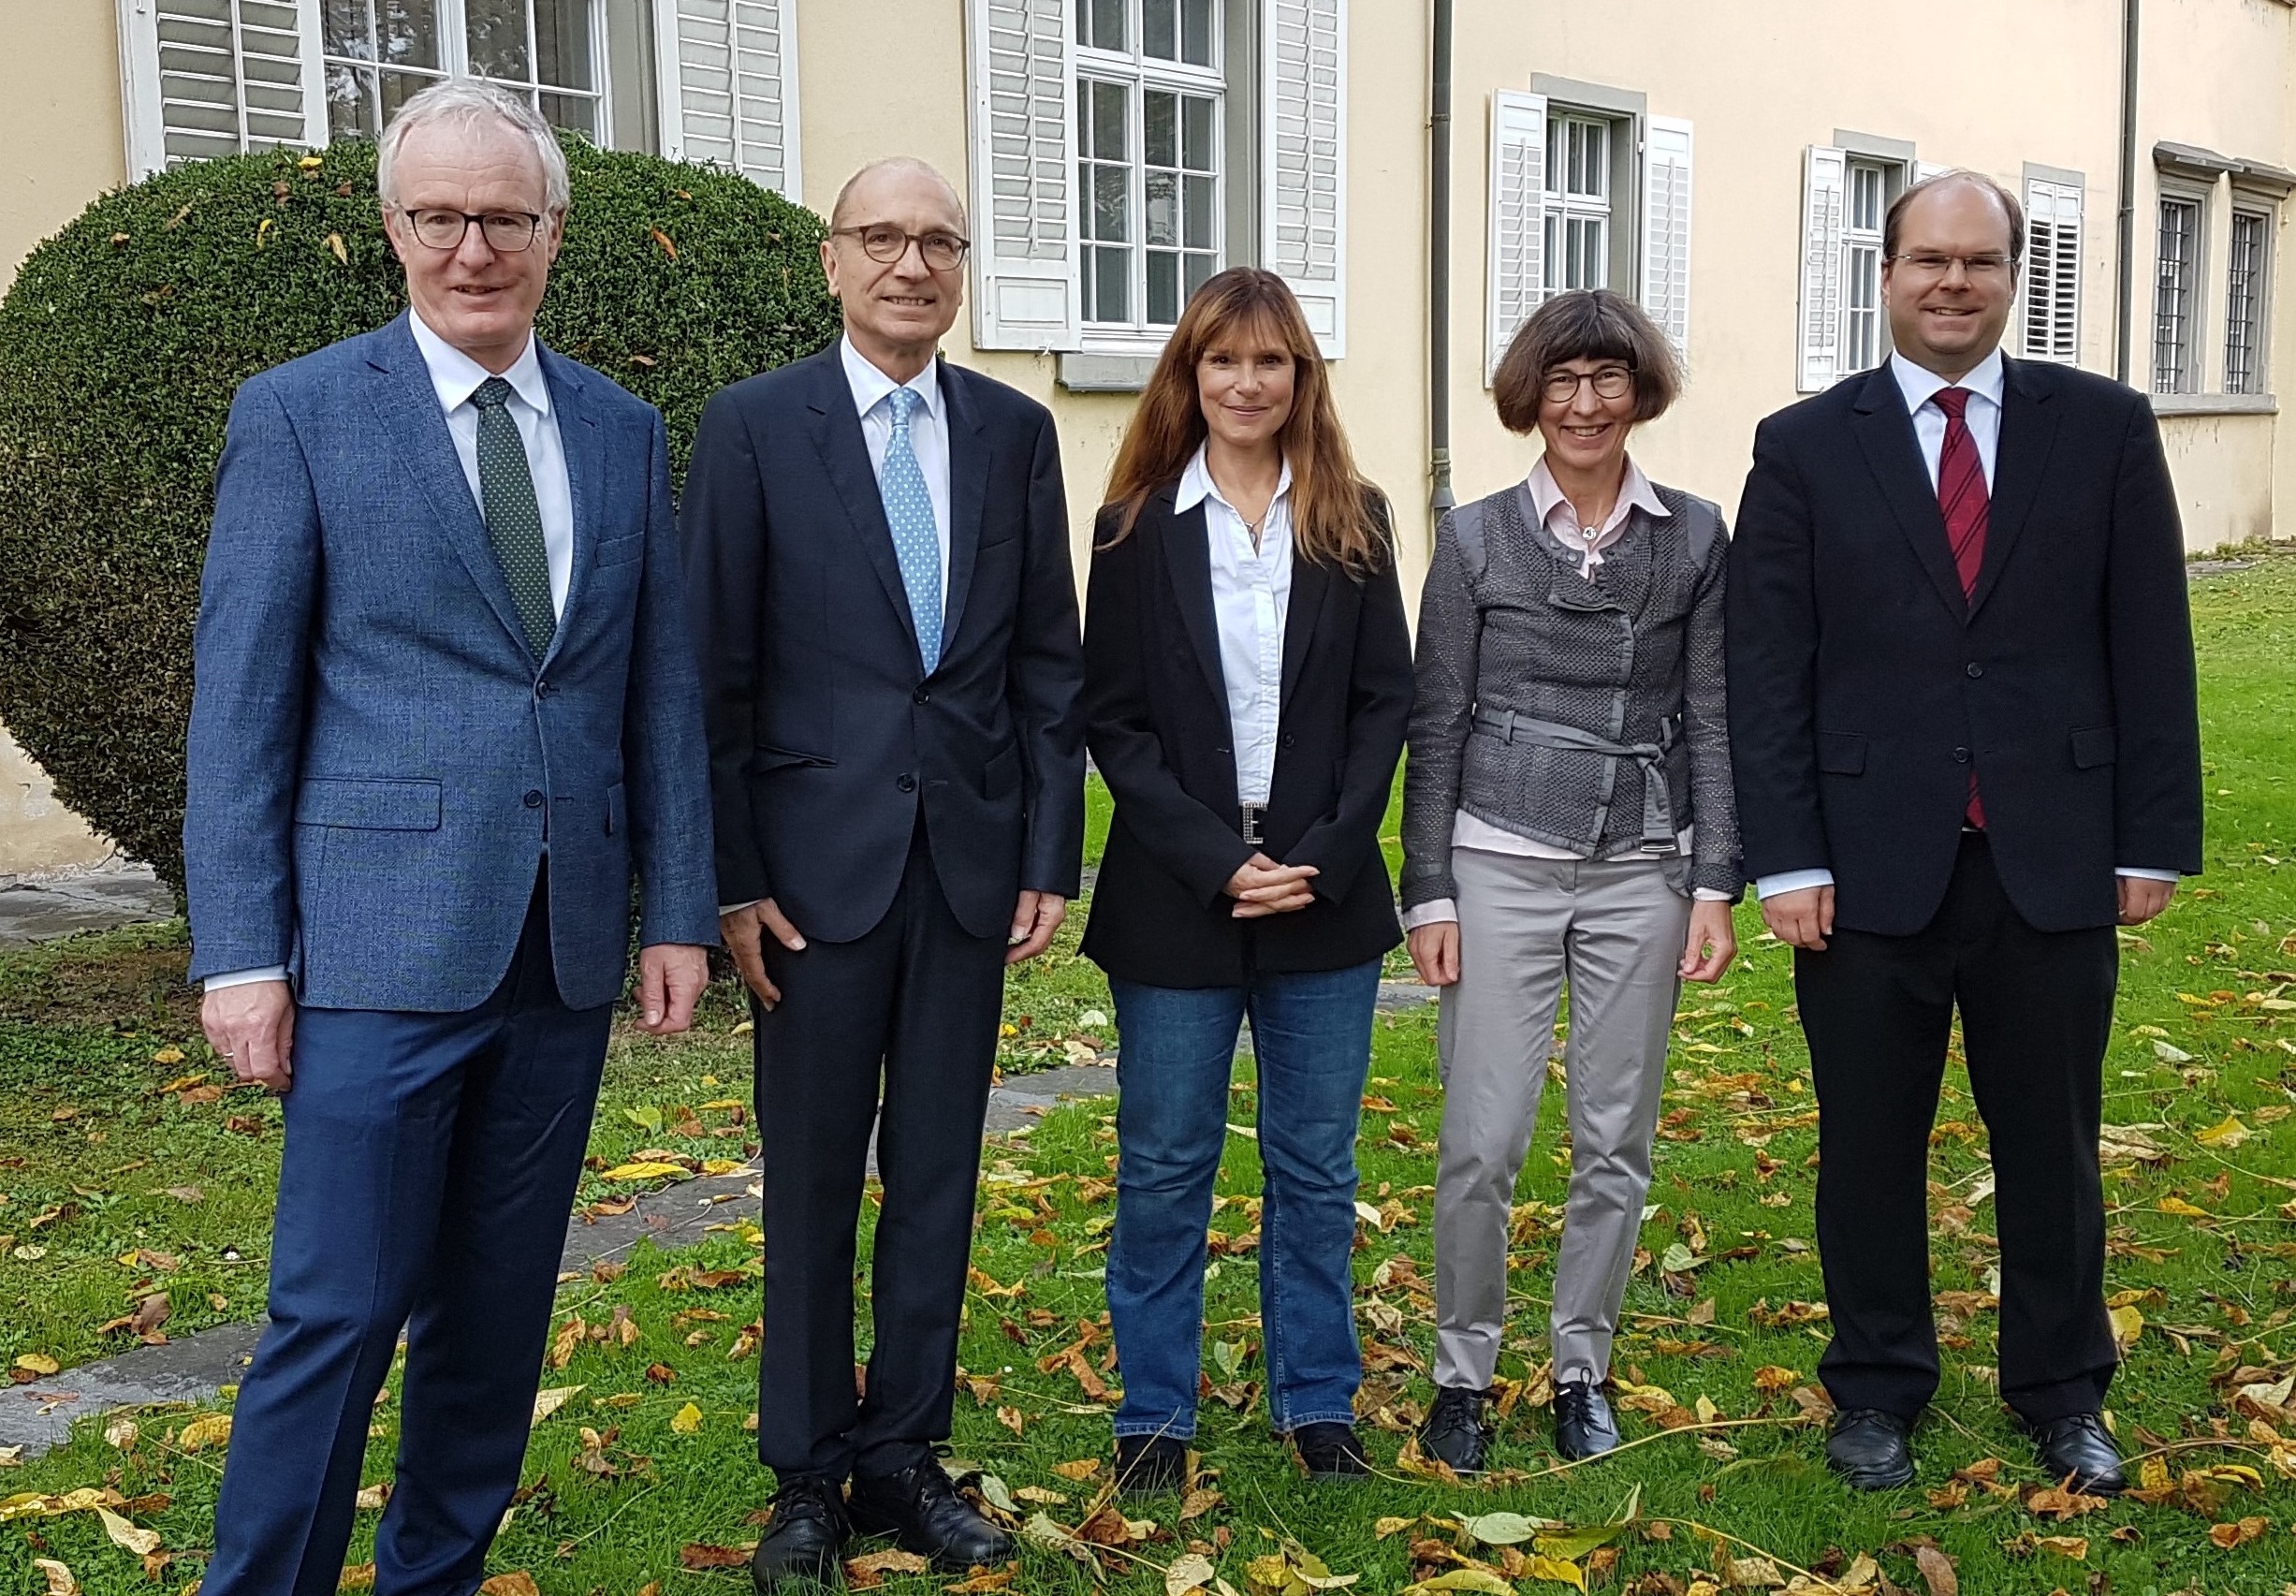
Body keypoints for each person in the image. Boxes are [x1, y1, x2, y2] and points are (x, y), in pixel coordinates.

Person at [182, 81, 717, 1596]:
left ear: (553, 231)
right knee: (337, 1313)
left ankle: (437, 1576)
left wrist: (679, 905)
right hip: (375, 949)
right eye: (439, 216)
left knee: (494, 1315)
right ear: (392, 227)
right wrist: (241, 954)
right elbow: (241, 706)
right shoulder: (299, 414)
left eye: (503, 217)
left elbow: (657, 689)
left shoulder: (618, 429)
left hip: (560, 947)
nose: (471, 248)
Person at [1729, 171, 2202, 1494]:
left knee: (2051, 1144)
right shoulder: (1802, 444)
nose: (1953, 282)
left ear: (2010, 277)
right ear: (1884, 275)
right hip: (1863, 865)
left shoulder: (2101, 428)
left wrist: (2149, 838)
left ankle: (2061, 1390)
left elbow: (2149, 640)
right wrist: (1786, 857)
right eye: (1928, 260)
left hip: (2051, 853)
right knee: (1866, 1144)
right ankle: (1876, 1386)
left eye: (1979, 261)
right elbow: (1767, 668)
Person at [680, 157, 1086, 1587]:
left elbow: (1047, 664)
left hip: (965, 871)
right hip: (810, 882)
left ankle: (903, 1453)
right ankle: (806, 1471)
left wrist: (1048, 852)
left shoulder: (1013, 433)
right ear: (832, 260)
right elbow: (711, 674)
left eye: (937, 242)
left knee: (935, 1174)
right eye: (882, 237)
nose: (911, 264)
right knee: (809, 1177)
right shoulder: (753, 428)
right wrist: (729, 880)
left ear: (960, 268)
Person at [1080, 267, 1412, 1492]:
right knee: (1165, 1164)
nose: (1246, 381)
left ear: (1300, 378)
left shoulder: (1355, 517)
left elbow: (1384, 702)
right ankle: (1153, 1413)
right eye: (1222, 358)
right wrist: (1218, 860)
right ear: (1189, 374)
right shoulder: (1131, 527)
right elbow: (1114, 723)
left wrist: (1322, 851)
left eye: (1270, 360)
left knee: (1315, 1168)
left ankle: (1317, 1400)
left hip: (1322, 886)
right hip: (1177, 892)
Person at [1400, 289, 1740, 1475]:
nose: (1584, 403)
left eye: (1606, 379)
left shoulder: (1693, 536)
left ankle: (1580, 1366)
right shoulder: (1474, 537)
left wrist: (1714, 877)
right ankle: (1461, 1373)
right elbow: (1436, 719)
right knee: (1479, 1138)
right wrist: (1428, 888)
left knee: (1614, 1137)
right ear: (1527, 396)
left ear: (1637, 392)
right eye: (1561, 380)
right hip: (1497, 856)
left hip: (1643, 865)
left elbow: (1712, 716)